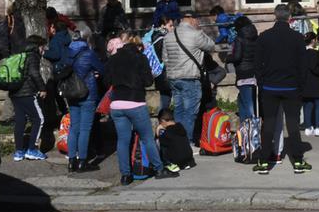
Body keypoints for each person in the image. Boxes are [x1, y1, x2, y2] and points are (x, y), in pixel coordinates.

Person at [104, 36, 178, 185]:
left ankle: (125, 175)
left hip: (117, 104)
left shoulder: (113, 59)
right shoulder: (140, 58)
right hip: (135, 102)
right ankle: (159, 169)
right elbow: (148, 81)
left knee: (123, 140)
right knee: (147, 138)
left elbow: (107, 81)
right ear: (138, 47)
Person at [252, 3, 311, 175]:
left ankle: (264, 162)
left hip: (270, 86)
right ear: (290, 18)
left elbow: (257, 64)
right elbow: (303, 65)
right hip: (291, 87)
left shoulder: (264, 37)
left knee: (269, 124)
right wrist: (300, 86)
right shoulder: (297, 38)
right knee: (292, 124)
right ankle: (298, 161)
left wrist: (262, 83)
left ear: (275, 16)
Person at [162, 12, 215, 147]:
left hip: (173, 78)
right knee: (190, 112)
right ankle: (188, 142)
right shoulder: (196, 34)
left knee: (178, 110)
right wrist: (200, 31)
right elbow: (211, 45)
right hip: (190, 77)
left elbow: (165, 58)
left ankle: (178, 141)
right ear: (193, 20)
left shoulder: (168, 35)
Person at [65, 31, 105, 173]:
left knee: (74, 128)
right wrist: (95, 73)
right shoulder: (89, 54)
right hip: (88, 94)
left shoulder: (67, 53)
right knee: (85, 129)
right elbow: (102, 69)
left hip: (71, 94)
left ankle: (71, 161)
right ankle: (82, 161)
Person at [10, 35, 48, 162]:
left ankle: (19, 152)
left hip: (15, 92)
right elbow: (34, 73)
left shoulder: (19, 53)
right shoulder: (33, 56)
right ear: (38, 46)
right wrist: (42, 88)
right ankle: (32, 149)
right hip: (27, 93)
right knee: (39, 119)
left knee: (20, 121)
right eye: (43, 46)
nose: (44, 50)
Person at [226, 15, 258, 121]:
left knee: (247, 102)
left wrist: (228, 58)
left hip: (243, 72)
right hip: (253, 72)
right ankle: (244, 126)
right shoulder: (255, 37)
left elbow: (237, 56)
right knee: (242, 100)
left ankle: (252, 126)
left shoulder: (239, 39)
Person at [301, 32, 319, 136]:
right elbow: (314, 68)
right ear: (313, 40)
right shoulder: (314, 53)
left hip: (304, 83)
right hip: (314, 82)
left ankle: (308, 127)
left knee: (307, 105)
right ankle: (318, 127)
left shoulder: (301, 53)